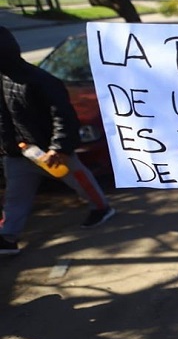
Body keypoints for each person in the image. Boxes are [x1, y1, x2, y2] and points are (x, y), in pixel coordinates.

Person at [0, 26, 115, 255]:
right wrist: (8, 146)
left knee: (81, 182)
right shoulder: (2, 78)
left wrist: (58, 147)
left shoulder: (43, 81)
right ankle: (8, 237)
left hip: (50, 152)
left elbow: (62, 115)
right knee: (15, 197)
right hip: (19, 152)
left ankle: (101, 208)